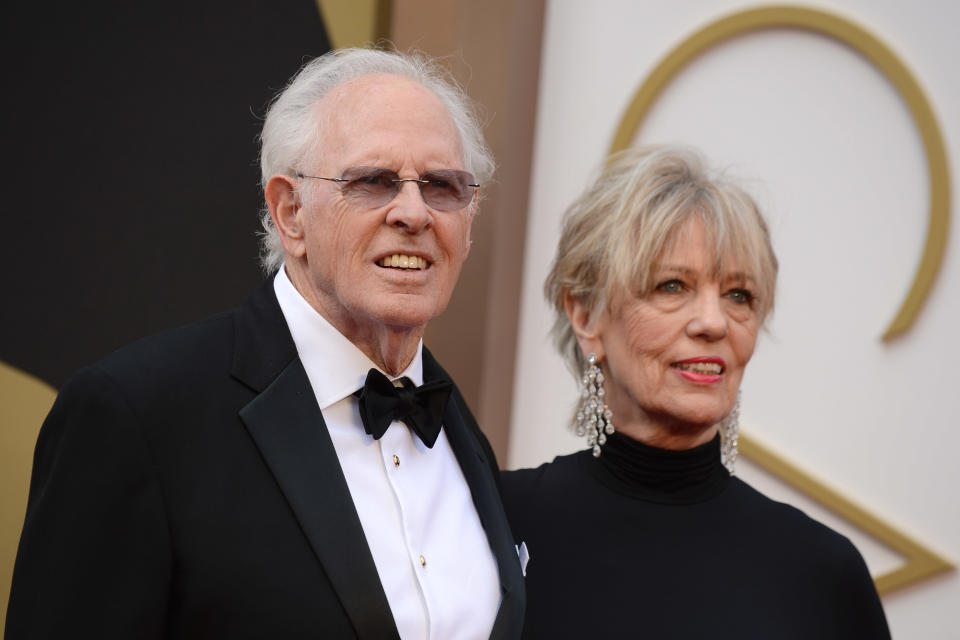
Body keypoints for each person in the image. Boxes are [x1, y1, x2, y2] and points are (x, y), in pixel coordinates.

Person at [7, 48, 524, 640]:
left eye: (442, 186)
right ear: (290, 211)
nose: (414, 212)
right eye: (373, 181)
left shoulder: (459, 427)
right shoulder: (136, 414)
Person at [502, 146, 889, 638]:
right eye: (671, 286)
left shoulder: (822, 571)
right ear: (585, 316)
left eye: (738, 295)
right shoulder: (497, 523)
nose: (713, 322)